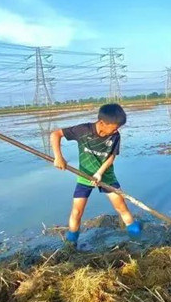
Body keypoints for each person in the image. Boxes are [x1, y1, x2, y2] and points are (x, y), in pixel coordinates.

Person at [50, 103, 141, 249]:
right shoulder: (83, 130)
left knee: (121, 207)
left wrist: (100, 173)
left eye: (118, 127)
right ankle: (71, 243)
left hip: (107, 176)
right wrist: (58, 157)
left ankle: (137, 236)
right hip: (84, 175)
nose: (116, 130)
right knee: (77, 211)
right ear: (102, 123)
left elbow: (111, 157)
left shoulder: (115, 136)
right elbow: (56, 134)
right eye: (114, 126)